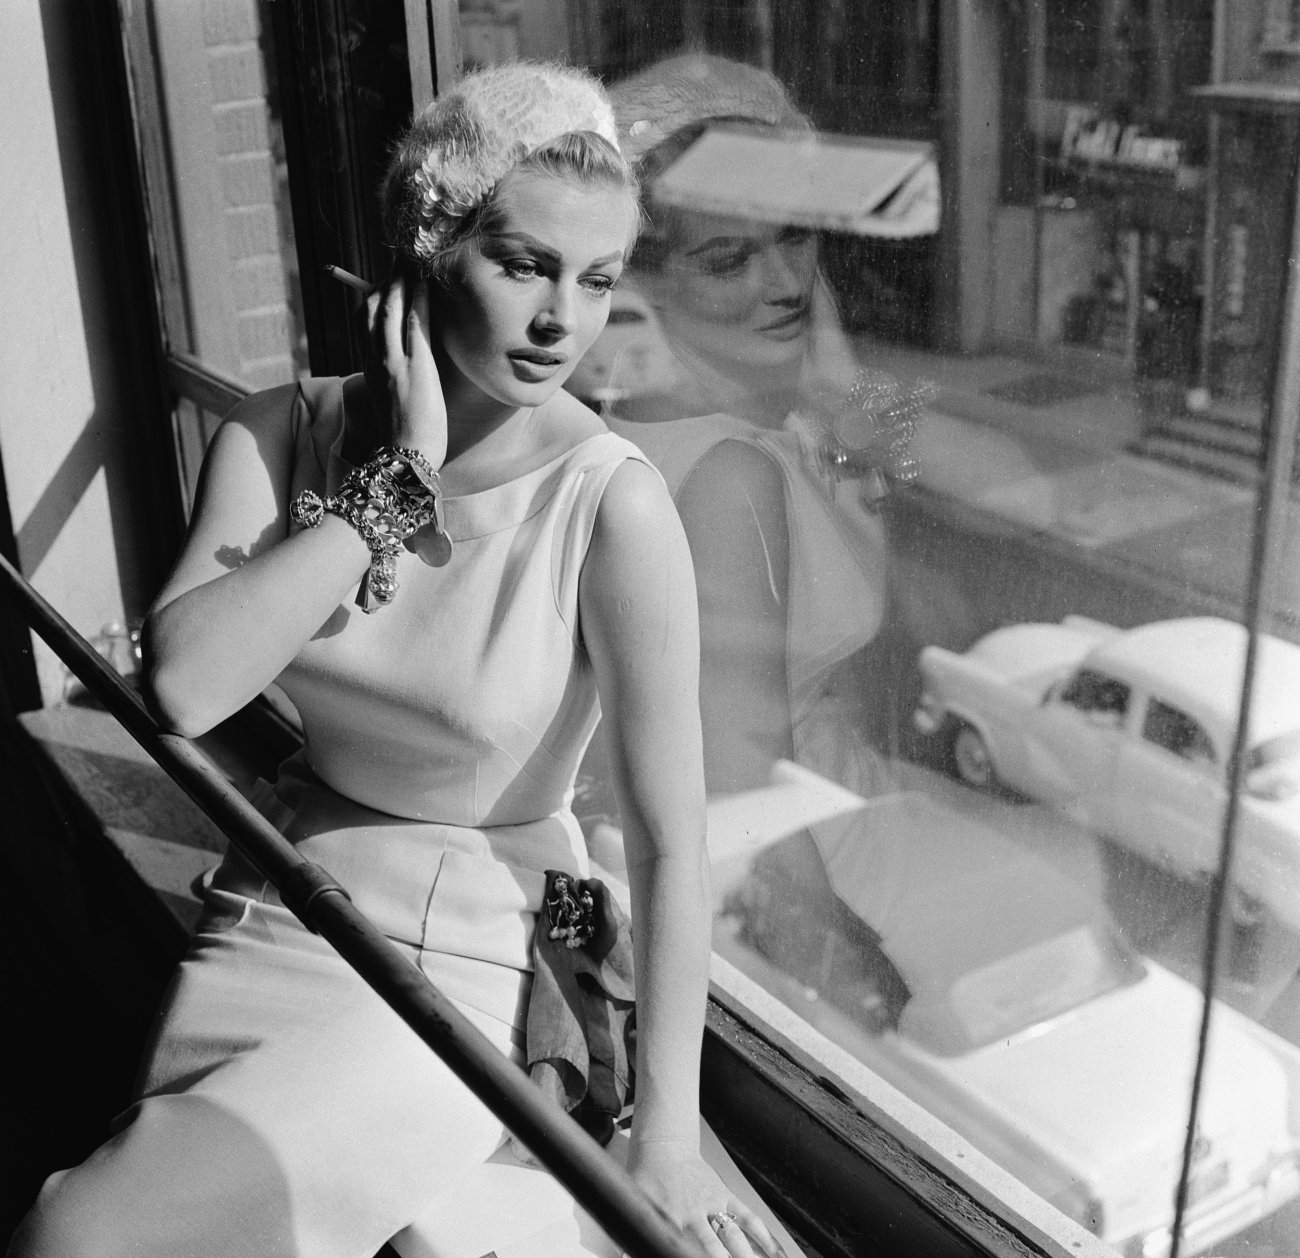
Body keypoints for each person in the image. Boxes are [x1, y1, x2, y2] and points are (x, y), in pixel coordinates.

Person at [8, 61, 786, 1258]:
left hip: (465, 957)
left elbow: (673, 844)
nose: (561, 321)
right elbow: (186, 686)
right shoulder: (282, 430)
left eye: (596, 280)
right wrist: (397, 480)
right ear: (429, 251)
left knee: (81, 1234)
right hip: (280, 897)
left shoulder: (610, 504)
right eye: (522, 264)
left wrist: (668, 1141)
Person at [581, 56, 926, 978]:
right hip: (820, 861)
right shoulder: (731, 478)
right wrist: (850, 981)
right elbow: (747, 802)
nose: (783, 284)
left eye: (795, 238)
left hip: (844, 802)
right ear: (640, 282)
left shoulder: (726, 421)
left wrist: (844, 400)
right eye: (728, 259)